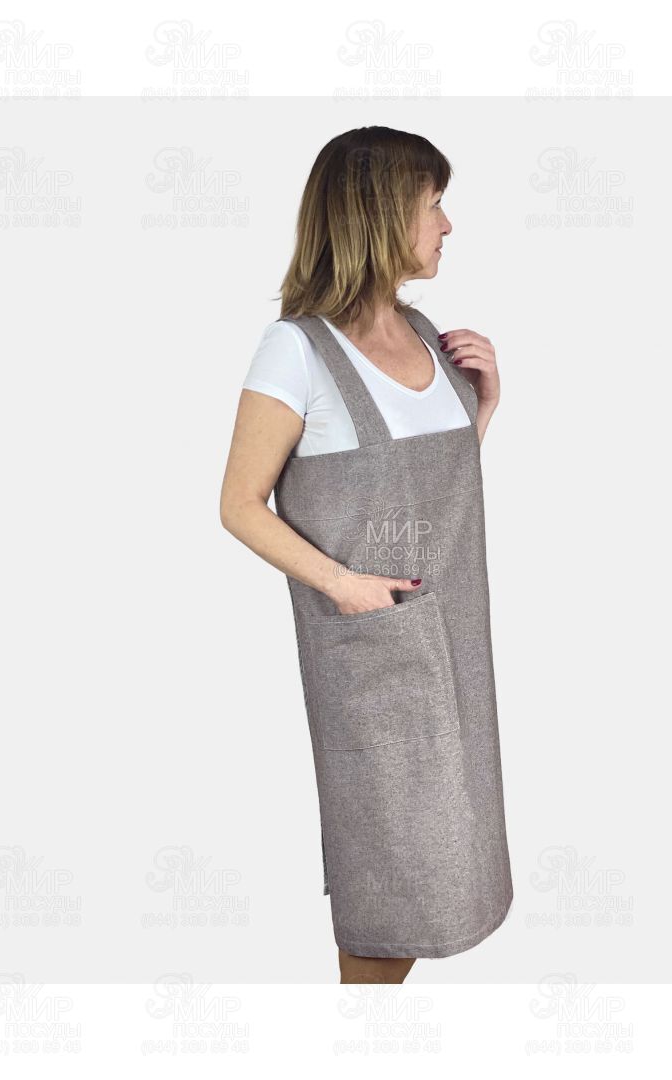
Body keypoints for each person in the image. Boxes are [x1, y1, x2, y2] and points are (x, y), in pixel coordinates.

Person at [220, 126, 513, 983]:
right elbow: (238, 504)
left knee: (447, 869)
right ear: (381, 214)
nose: (447, 225)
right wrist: (342, 585)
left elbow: (424, 495)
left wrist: (483, 407)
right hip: (374, 660)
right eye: (434, 205)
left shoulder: (424, 333)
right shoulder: (296, 350)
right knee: (392, 888)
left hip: (455, 644)